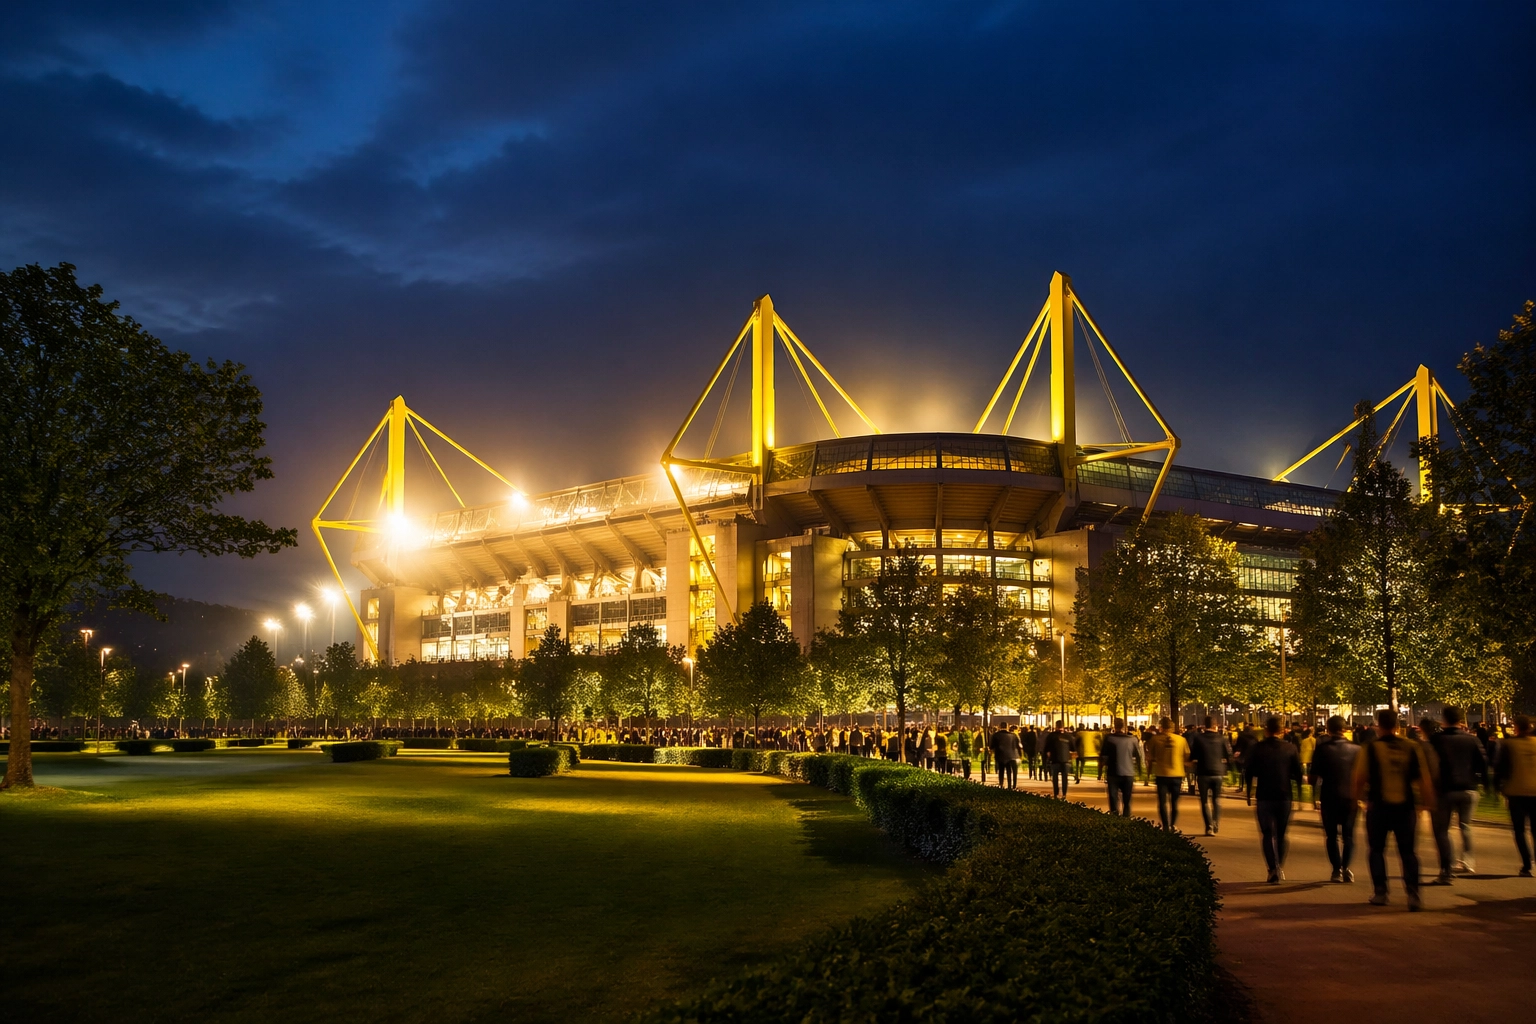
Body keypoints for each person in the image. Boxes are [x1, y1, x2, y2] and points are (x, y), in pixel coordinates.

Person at [1353, 707, 1435, 910]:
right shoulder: (1412, 747)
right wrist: (1428, 802)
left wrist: (1355, 799)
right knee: (1408, 852)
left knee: (1376, 850)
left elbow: (1359, 778)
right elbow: (1423, 778)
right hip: (1405, 807)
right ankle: (1413, 894)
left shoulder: (1370, 748)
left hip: (1378, 806)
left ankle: (1381, 892)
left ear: (1378, 725)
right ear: (1397, 725)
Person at [1428, 706, 1488, 882]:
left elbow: (1429, 764)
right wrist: (1483, 783)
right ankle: (1468, 862)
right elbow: (1483, 764)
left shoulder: (1436, 740)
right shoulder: (1472, 740)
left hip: (1444, 790)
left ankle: (1446, 869)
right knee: (1465, 826)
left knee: (1442, 830)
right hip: (1468, 789)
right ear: (1460, 720)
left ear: (1444, 719)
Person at [1245, 716, 1303, 883]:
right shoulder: (1290, 748)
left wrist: (1248, 793)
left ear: (1266, 730)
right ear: (1282, 730)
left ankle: (1272, 869)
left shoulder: (1257, 748)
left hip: (1264, 795)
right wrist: (1299, 795)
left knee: (1267, 833)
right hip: (1284, 795)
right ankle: (1279, 866)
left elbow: (1249, 771)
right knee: (1282, 833)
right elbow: (1298, 773)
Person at [1309, 715, 1362, 882]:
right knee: (1349, 836)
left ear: (1328, 729)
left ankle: (1336, 869)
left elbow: (1313, 777)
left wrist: (1314, 789)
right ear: (1345, 729)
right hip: (1350, 797)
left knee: (1331, 836)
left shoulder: (1322, 749)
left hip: (1329, 796)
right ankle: (1346, 867)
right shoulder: (1357, 749)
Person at [1494, 714, 1536, 877]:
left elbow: (1501, 768)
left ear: (1516, 727)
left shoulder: (1509, 744)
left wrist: (1498, 787)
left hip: (1516, 792)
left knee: (1519, 830)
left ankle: (1527, 865)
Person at [1190, 716, 1233, 835]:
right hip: (1218, 772)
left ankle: (1209, 827)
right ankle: (1216, 823)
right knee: (1216, 799)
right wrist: (1226, 767)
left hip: (1203, 772)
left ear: (1204, 725)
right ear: (1216, 725)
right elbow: (1229, 755)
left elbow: (1193, 755)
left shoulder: (1198, 738)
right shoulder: (1222, 739)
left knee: (1204, 801)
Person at [1147, 717, 1191, 830]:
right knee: (1174, 802)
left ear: (1161, 727)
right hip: (1177, 774)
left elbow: (1150, 757)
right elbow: (1186, 755)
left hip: (1162, 774)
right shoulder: (1181, 740)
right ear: (1172, 727)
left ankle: (1166, 825)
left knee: (1162, 802)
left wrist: (1148, 773)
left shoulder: (1155, 740)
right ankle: (1173, 824)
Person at [1099, 717, 1143, 817]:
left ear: (1114, 725)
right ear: (1124, 726)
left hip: (1113, 772)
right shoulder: (1132, 739)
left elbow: (1103, 756)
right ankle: (1126, 818)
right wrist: (1139, 770)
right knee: (1127, 800)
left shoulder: (1109, 738)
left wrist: (1100, 771)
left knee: (1113, 798)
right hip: (1128, 773)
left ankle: (1115, 818)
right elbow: (1138, 756)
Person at [1042, 721, 1074, 798]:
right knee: (1064, 778)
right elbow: (1073, 748)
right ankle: (1064, 794)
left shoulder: (1051, 736)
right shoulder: (1068, 736)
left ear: (1055, 726)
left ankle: (1056, 793)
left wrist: (1047, 757)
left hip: (1055, 759)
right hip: (1065, 760)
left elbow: (1046, 748)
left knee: (1055, 778)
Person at [989, 723, 1022, 790]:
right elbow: (1018, 746)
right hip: (1012, 756)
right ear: (1007, 727)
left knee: (1001, 770)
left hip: (1000, 755)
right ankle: (1011, 785)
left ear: (999, 727)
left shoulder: (996, 735)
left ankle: (1001, 784)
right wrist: (1019, 755)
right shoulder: (1014, 735)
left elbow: (992, 746)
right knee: (1009, 770)